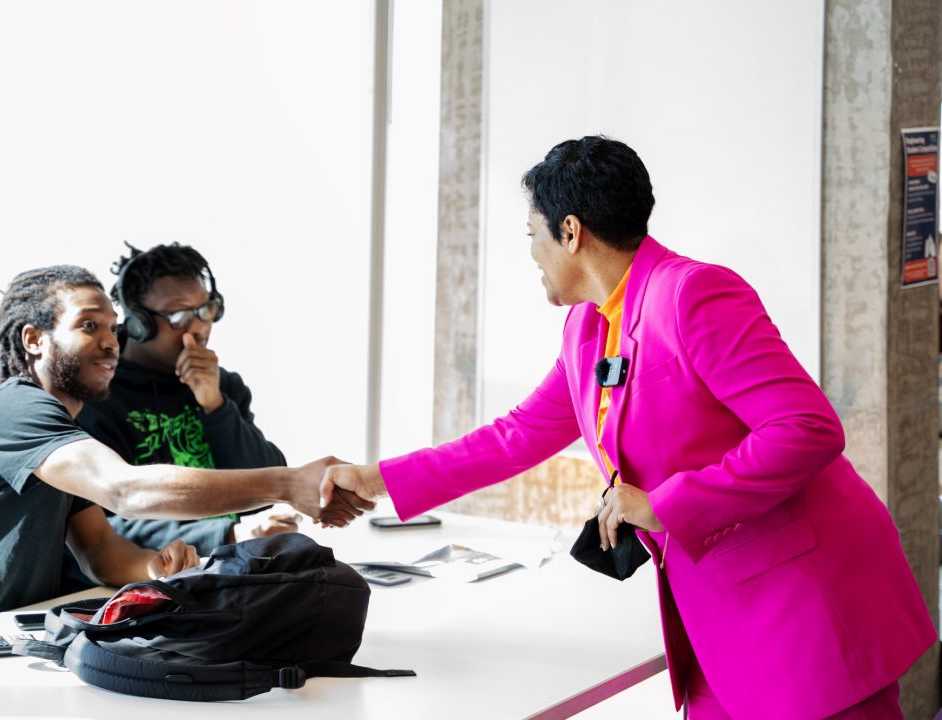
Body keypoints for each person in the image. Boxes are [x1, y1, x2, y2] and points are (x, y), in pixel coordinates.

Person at [320, 137, 935, 719]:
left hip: (805, 613)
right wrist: (373, 479)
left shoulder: (694, 294)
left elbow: (806, 428)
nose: (531, 254)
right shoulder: (587, 329)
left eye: (532, 235)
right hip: (722, 622)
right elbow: (516, 436)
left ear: (571, 232)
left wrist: (667, 504)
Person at [0, 266, 366, 638]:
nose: (109, 342)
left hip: (8, 642)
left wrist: (153, 566)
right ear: (34, 340)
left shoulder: (63, 432)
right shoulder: (14, 408)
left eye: (113, 328)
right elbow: (125, 490)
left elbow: (99, 549)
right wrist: (286, 485)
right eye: (88, 325)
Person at [76, 242, 294, 556]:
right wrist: (228, 533)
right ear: (139, 324)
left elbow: (269, 485)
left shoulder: (224, 386)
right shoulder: (97, 399)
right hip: (150, 579)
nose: (200, 327)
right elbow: (101, 529)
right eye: (179, 315)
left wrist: (215, 405)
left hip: (233, 568)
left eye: (206, 309)